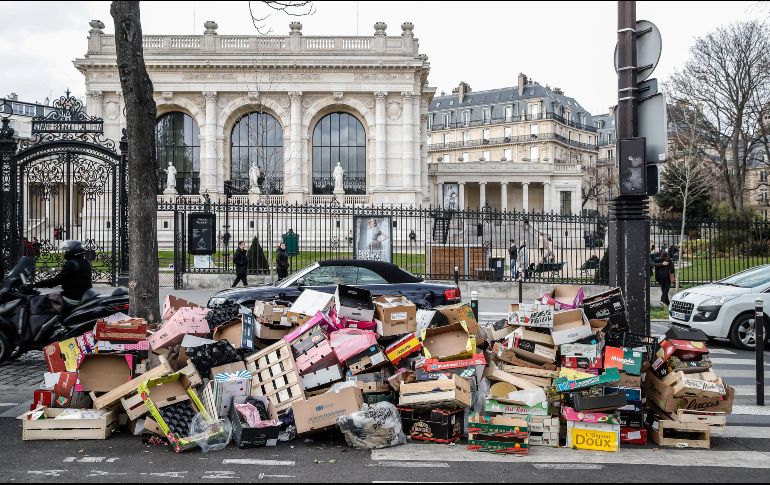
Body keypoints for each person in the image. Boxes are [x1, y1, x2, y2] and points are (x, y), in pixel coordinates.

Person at [25, 240, 92, 314]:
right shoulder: (85, 263)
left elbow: (55, 282)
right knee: (53, 296)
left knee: (38, 301)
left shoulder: (71, 264)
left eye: (67, 251)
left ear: (73, 252)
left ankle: (43, 324)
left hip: (71, 298)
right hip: (82, 297)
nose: (65, 253)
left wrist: (34, 285)